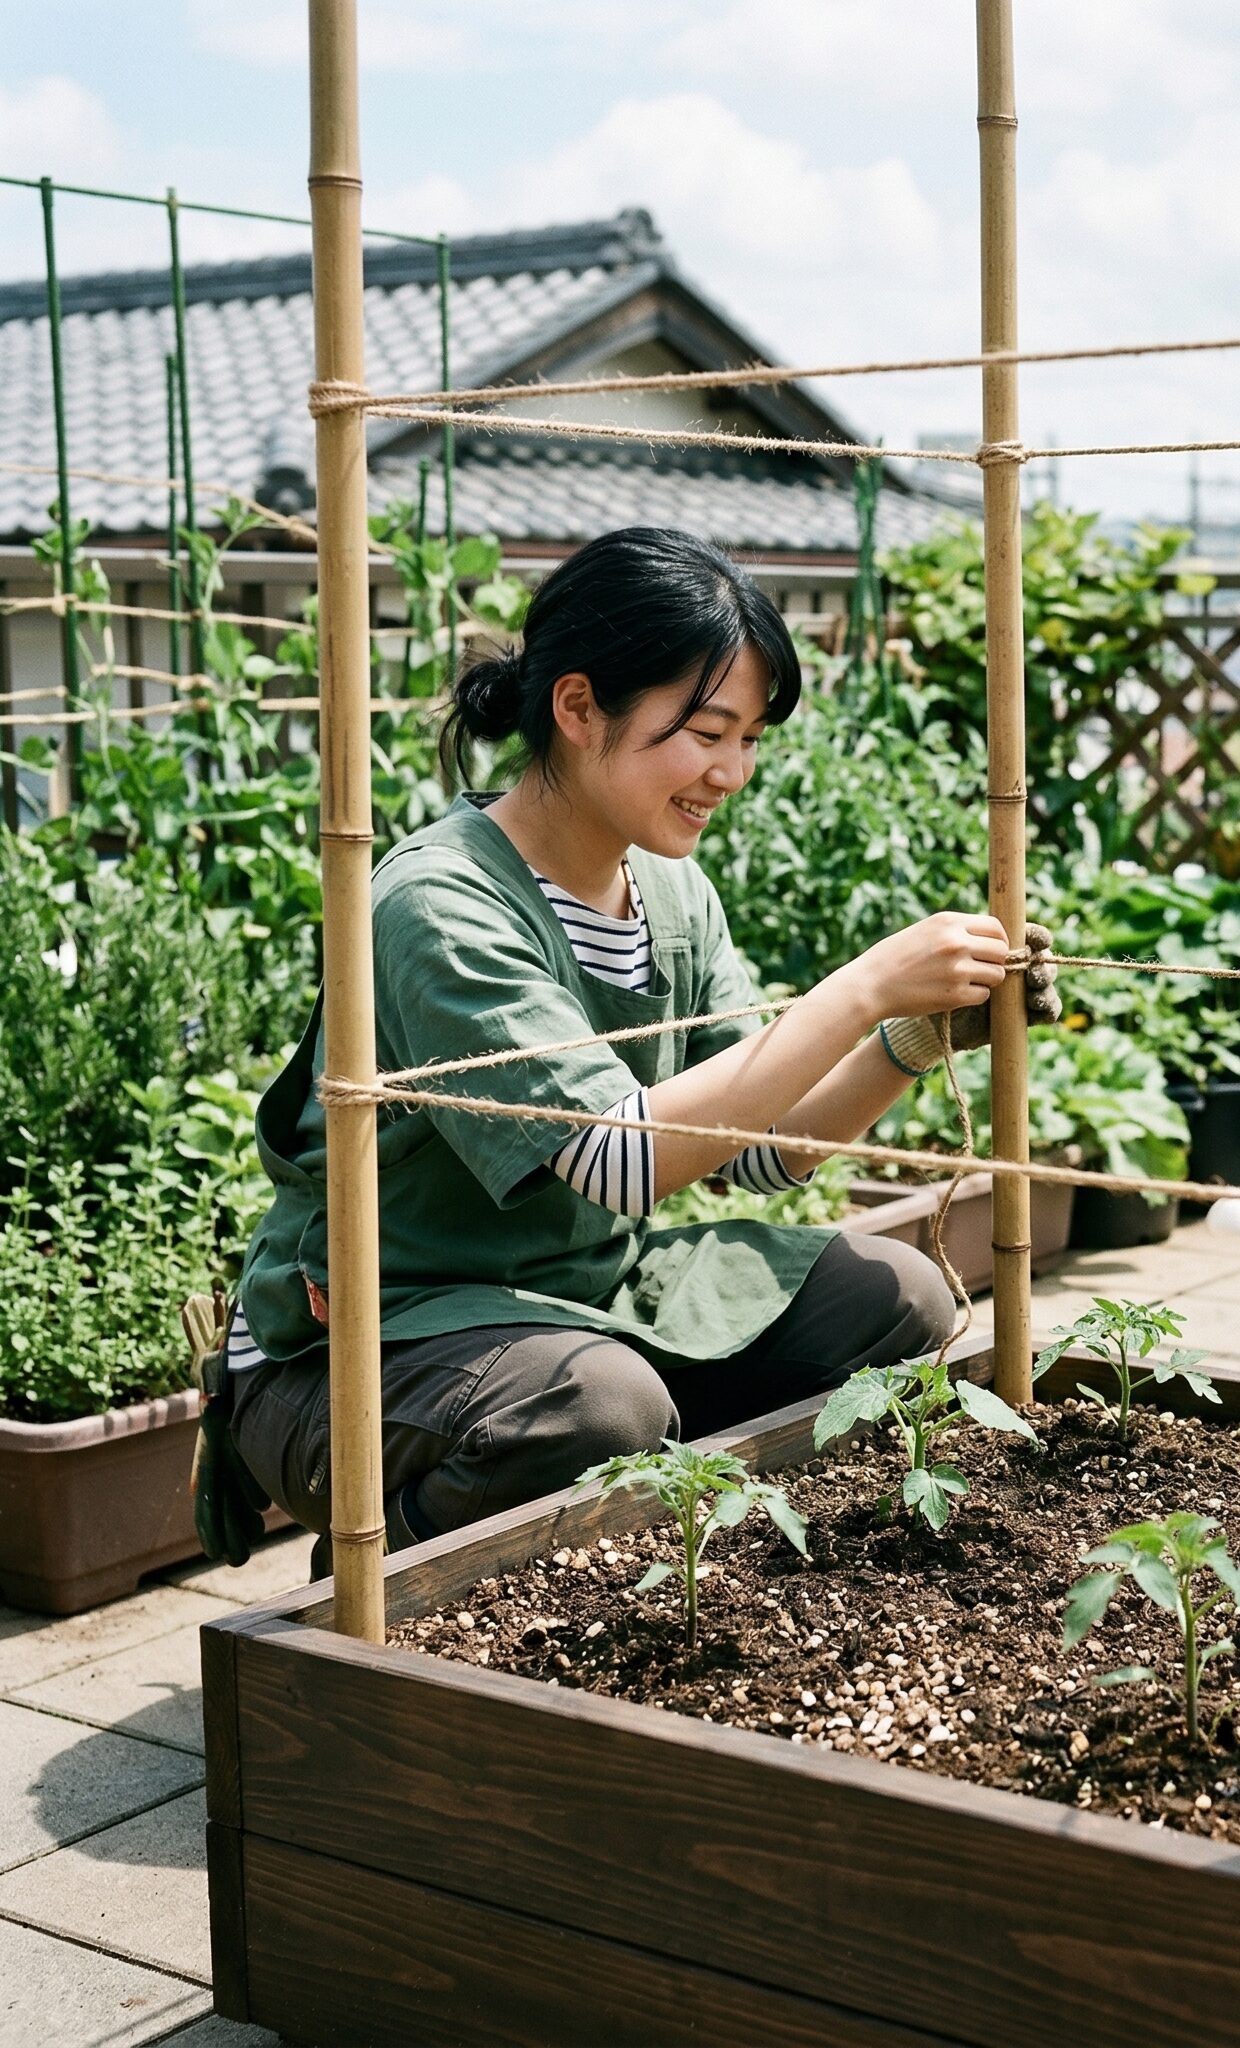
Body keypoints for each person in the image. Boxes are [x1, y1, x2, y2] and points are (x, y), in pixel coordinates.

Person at [222, 525, 1057, 1562]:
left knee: (899, 1301)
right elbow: (619, 1158)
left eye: (749, 737)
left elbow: (761, 1146)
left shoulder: (666, 889)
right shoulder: (438, 903)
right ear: (577, 707)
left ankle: (631, 1536)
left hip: (577, 1299)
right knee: (601, 1410)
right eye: (705, 731)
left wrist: (910, 1036)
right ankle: (377, 1559)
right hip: (365, 1342)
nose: (731, 770)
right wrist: (858, 986)